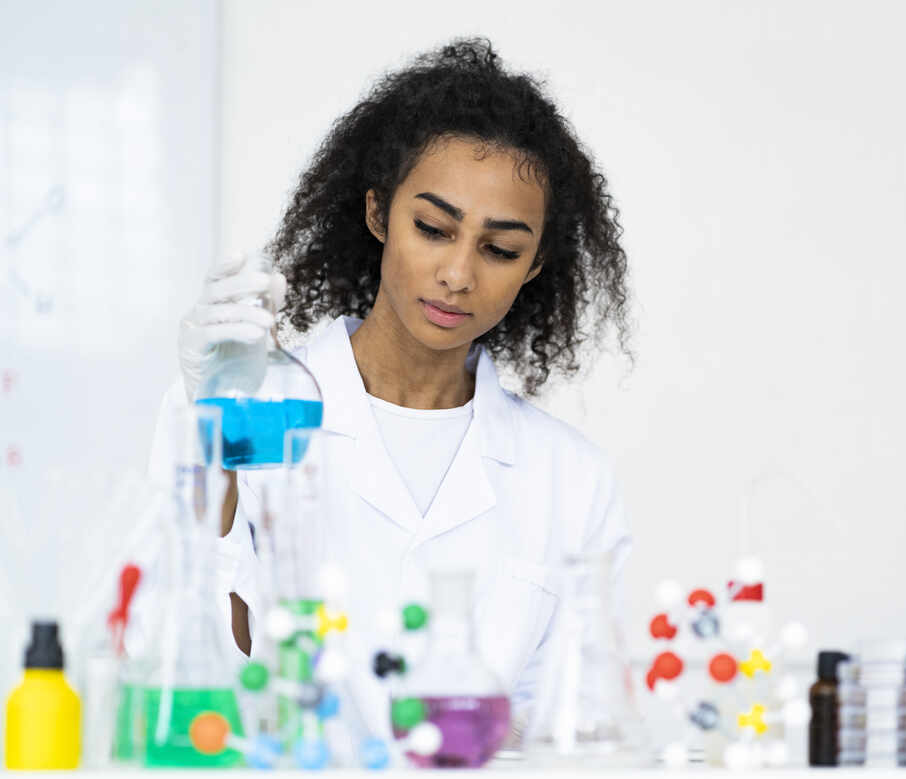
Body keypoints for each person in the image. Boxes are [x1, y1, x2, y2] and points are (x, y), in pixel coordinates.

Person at [148, 37, 635, 737]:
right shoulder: (246, 408)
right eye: (433, 228)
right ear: (379, 214)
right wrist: (211, 436)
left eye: (500, 249)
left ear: (534, 266)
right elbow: (184, 671)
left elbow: (575, 729)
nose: (459, 273)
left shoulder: (571, 478)